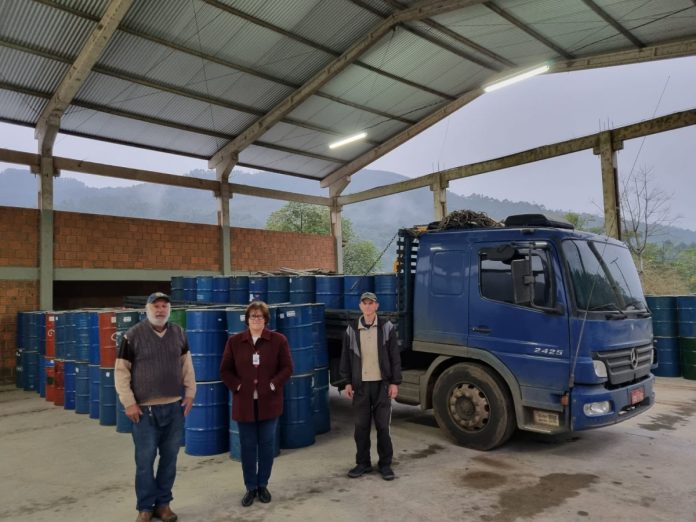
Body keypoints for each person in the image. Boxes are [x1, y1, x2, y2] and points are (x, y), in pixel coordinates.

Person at [115, 292, 196, 522]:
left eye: (164, 306)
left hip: (174, 408)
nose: (160, 310)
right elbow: (121, 371)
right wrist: (129, 402)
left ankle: (163, 504)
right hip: (144, 411)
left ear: (169, 310)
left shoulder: (179, 333)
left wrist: (190, 393)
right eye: (156, 306)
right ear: (147, 308)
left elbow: (186, 365)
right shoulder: (132, 335)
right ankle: (145, 507)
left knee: (169, 460)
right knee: (144, 462)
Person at [220, 301, 293, 507]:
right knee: (248, 447)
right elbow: (225, 370)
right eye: (252, 316)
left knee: (267, 446)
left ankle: (263, 485)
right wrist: (238, 387)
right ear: (247, 319)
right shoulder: (235, 342)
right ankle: (250, 487)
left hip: (269, 403)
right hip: (244, 404)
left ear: (266, 320)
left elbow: (287, 368)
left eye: (260, 316)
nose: (256, 319)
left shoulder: (278, 340)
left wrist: (272, 385)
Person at [340, 291, 402, 481]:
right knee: (361, 427)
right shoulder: (352, 329)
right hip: (360, 387)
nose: (368, 306)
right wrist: (347, 382)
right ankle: (363, 463)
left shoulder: (386, 327)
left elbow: (395, 357)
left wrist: (394, 382)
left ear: (377, 306)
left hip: (382, 386)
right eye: (364, 303)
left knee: (383, 427)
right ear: (360, 306)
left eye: (371, 303)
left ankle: (385, 464)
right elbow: (346, 357)